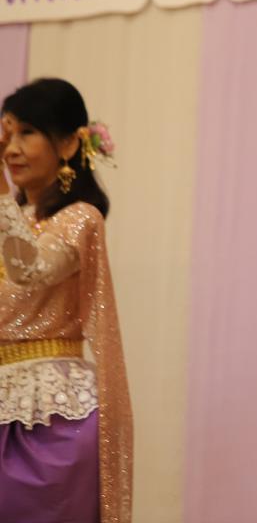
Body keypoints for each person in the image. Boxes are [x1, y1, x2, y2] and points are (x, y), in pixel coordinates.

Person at [0, 78, 132, 523]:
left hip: (55, 422)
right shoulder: (9, 217)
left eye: (27, 133)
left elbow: (30, 269)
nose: (12, 149)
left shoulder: (79, 219)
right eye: (7, 135)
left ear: (70, 144)